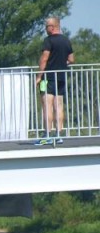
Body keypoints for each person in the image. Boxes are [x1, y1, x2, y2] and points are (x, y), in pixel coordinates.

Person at [37, 16, 74, 145]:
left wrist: (39, 76)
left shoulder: (48, 40)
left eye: (46, 26)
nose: (45, 29)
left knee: (47, 106)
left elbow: (44, 59)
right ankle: (58, 135)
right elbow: (71, 59)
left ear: (52, 27)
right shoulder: (66, 40)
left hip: (48, 77)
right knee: (58, 106)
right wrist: (61, 64)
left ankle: (47, 135)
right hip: (61, 76)